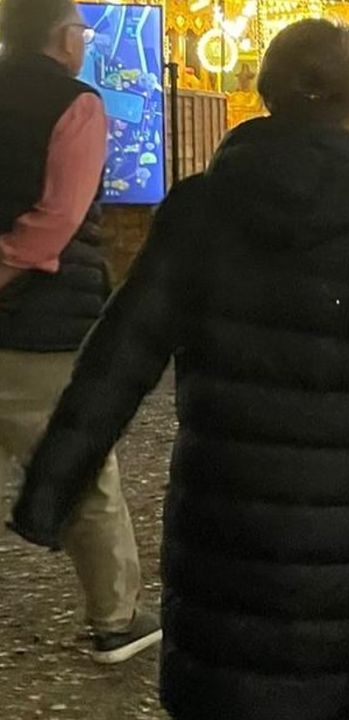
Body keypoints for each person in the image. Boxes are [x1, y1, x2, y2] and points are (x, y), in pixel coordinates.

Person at [10, 19, 349, 720]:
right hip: (346, 561)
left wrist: (51, 487)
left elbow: (117, 361)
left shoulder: (199, 210)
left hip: (224, 541)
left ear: (267, 94)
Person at [0, 0, 161, 665]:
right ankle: (115, 617)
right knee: (78, 464)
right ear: (65, 39)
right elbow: (58, 215)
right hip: (42, 318)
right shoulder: (77, 105)